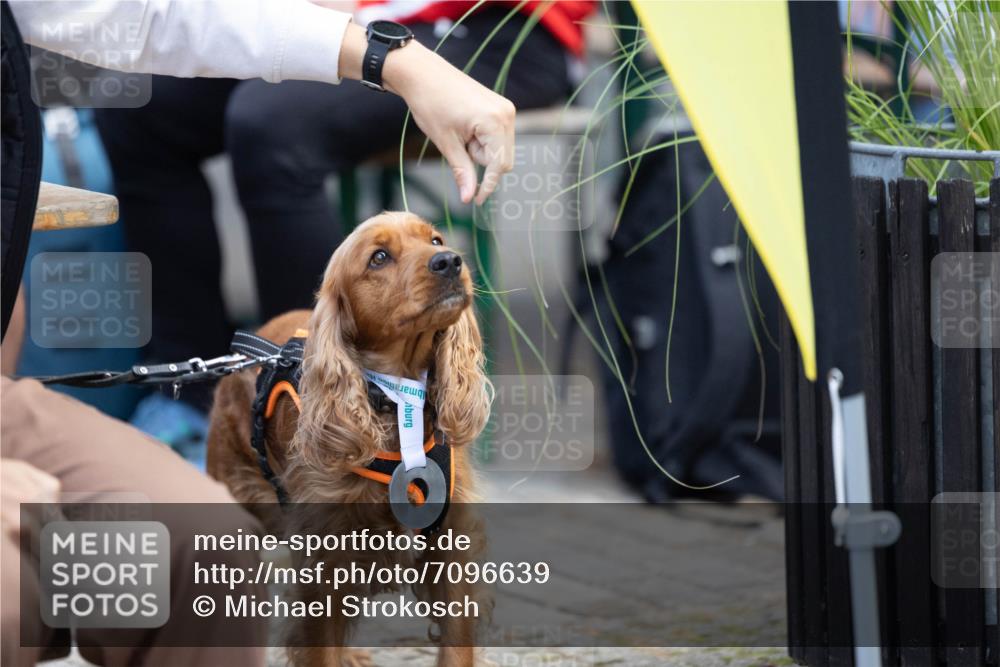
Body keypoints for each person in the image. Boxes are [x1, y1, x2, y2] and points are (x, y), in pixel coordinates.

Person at [1, 1, 517, 663]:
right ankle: (260, 406)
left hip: (463, 25)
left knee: (207, 547)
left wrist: (400, 62)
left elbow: (148, 16)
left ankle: (290, 393)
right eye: (384, 259)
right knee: (16, 590)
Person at [93, 0, 593, 451]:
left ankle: (301, 404)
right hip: (342, 24)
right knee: (139, 110)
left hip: (493, 25)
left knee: (271, 126)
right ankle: (192, 393)